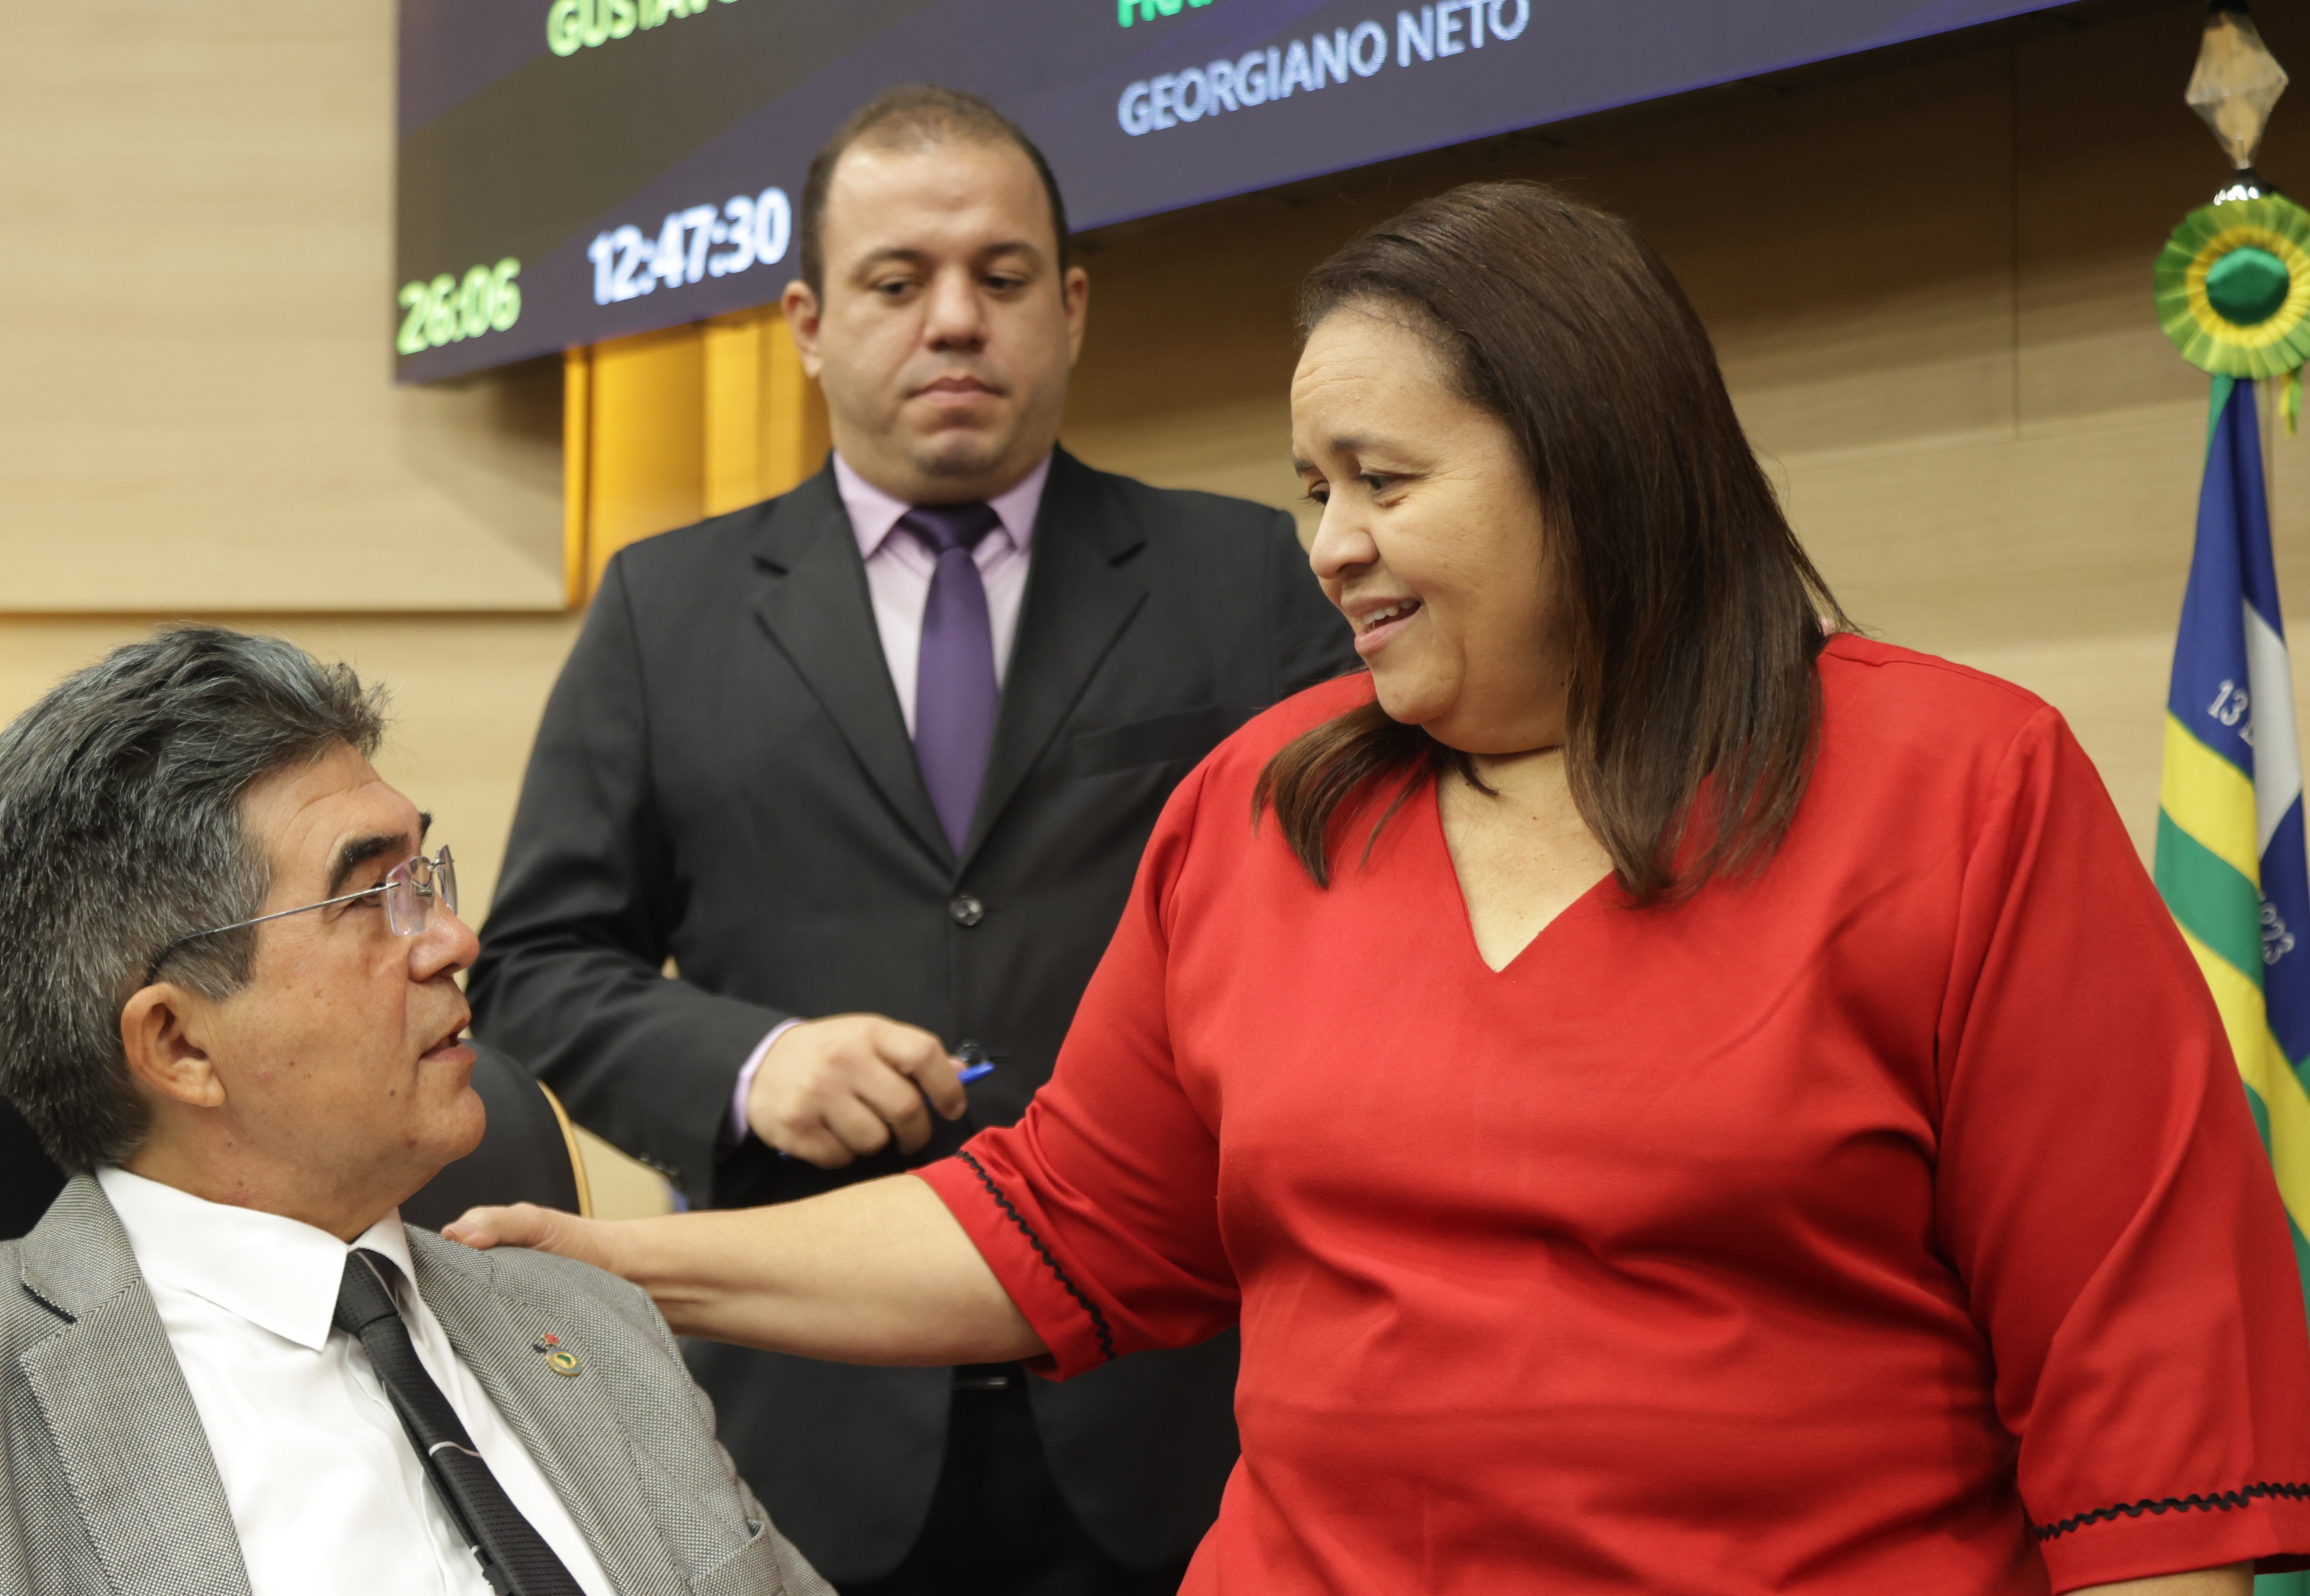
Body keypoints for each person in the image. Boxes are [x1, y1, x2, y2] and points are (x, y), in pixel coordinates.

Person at [451, 182, 2310, 1595]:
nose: (1330, 545)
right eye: (1311, 487)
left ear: (1591, 463)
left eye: (1383, 481)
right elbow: (1062, 1224)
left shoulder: (1962, 791)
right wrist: (612, 1271)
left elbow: (2152, 1415)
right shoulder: (1261, 807)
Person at [467, 85, 1354, 1593]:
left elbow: (1356, 932)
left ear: (1071, 308)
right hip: (801, 1432)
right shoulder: (665, 611)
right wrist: (751, 1065)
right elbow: (537, 965)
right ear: (809, 323)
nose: (955, 320)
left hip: (1170, 1423)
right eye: (897, 281)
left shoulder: (1250, 578)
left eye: (1002, 277)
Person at [0, 627, 830, 1596]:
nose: (455, 940)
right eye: (372, 898)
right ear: (179, 1045)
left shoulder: (594, 1325)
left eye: (423, 879)